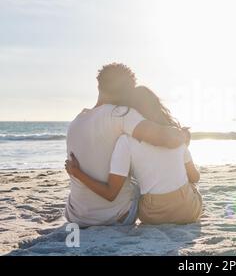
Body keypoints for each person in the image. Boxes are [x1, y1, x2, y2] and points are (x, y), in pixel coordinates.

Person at [65, 63, 189, 227]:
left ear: (99, 85)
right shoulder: (121, 114)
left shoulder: (76, 122)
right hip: (117, 216)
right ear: (129, 90)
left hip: (76, 215)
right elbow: (166, 139)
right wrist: (184, 134)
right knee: (142, 180)